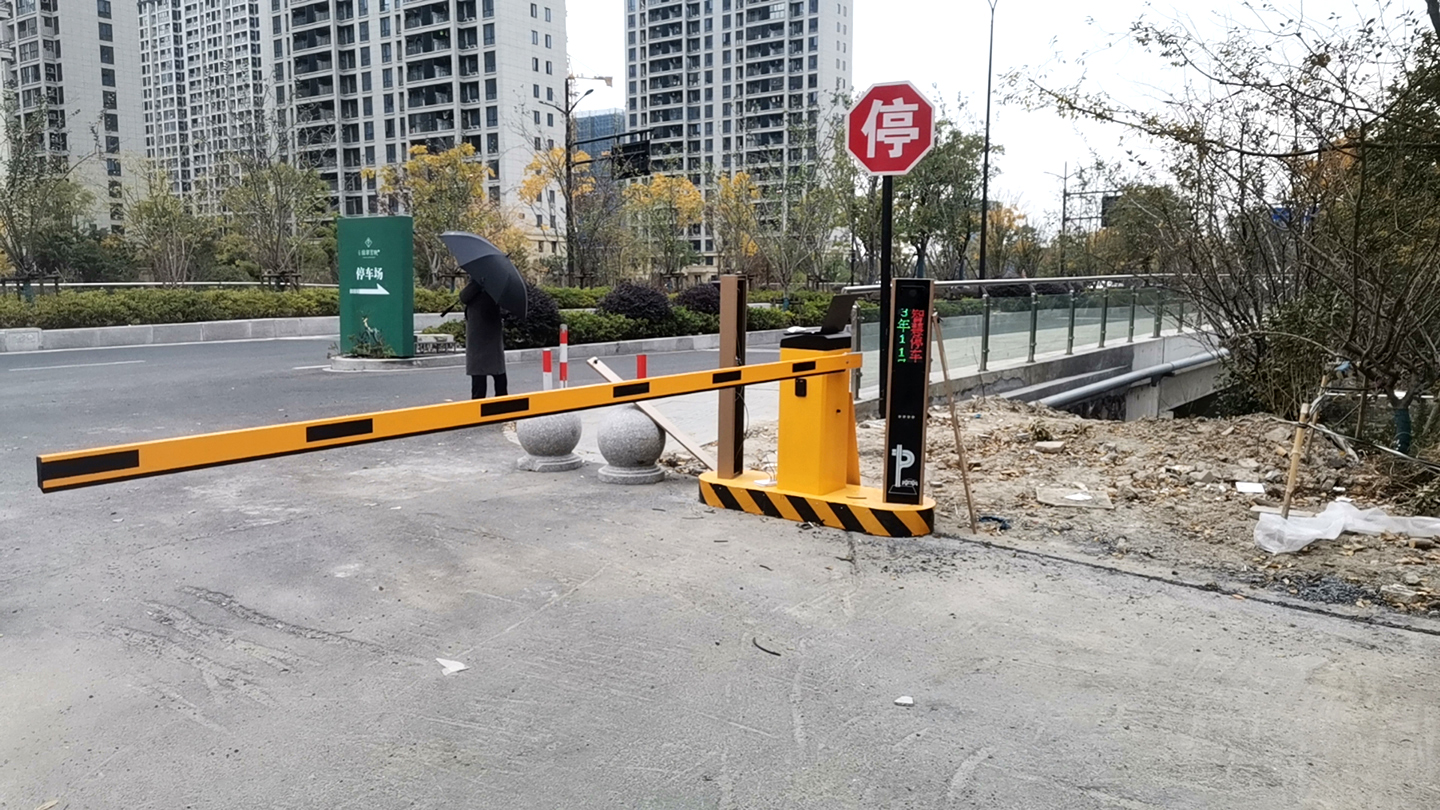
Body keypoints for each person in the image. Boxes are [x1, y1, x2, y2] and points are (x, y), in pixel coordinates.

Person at [460, 280, 507, 399]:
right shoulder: (498, 281)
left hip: (479, 332)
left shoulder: (481, 279)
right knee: (497, 374)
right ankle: (502, 404)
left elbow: (464, 296)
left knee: (480, 376)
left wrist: (478, 282)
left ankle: (481, 404)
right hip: (489, 331)